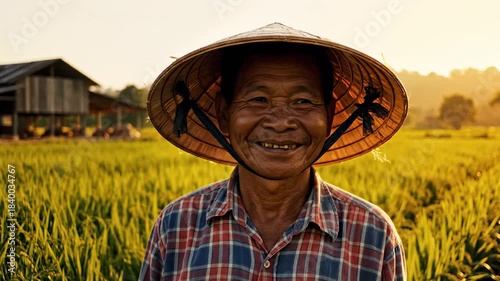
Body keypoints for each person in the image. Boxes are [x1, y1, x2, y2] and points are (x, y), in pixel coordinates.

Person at [140, 23, 408, 280]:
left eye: (302, 101)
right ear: (223, 114)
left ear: (329, 115)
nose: (280, 122)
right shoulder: (176, 225)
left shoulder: (373, 234)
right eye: (258, 100)